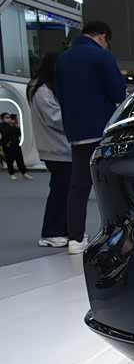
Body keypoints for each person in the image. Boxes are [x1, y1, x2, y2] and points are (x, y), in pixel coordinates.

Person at [56, 20, 126, 255]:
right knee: (113, 184)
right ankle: (120, 235)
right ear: (103, 37)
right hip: (102, 130)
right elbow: (117, 92)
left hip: (76, 132)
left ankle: (75, 239)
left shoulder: (63, 59)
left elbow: (60, 94)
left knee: (78, 187)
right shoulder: (102, 57)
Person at [28, 52, 72, 248]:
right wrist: (78, 116)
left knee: (64, 191)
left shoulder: (47, 89)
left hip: (60, 149)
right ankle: (51, 232)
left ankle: (63, 230)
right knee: (60, 192)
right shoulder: (42, 91)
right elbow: (55, 119)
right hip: (56, 150)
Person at [0, 112, 32, 181]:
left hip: (16, 144)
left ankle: (24, 173)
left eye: (9, 117)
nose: (9, 119)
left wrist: (17, 126)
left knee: (20, 159)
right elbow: (6, 133)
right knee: (10, 161)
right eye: (7, 117)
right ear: (2, 119)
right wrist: (11, 126)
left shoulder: (13, 125)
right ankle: (12, 174)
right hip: (7, 146)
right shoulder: (1, 126)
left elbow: (19, 134)